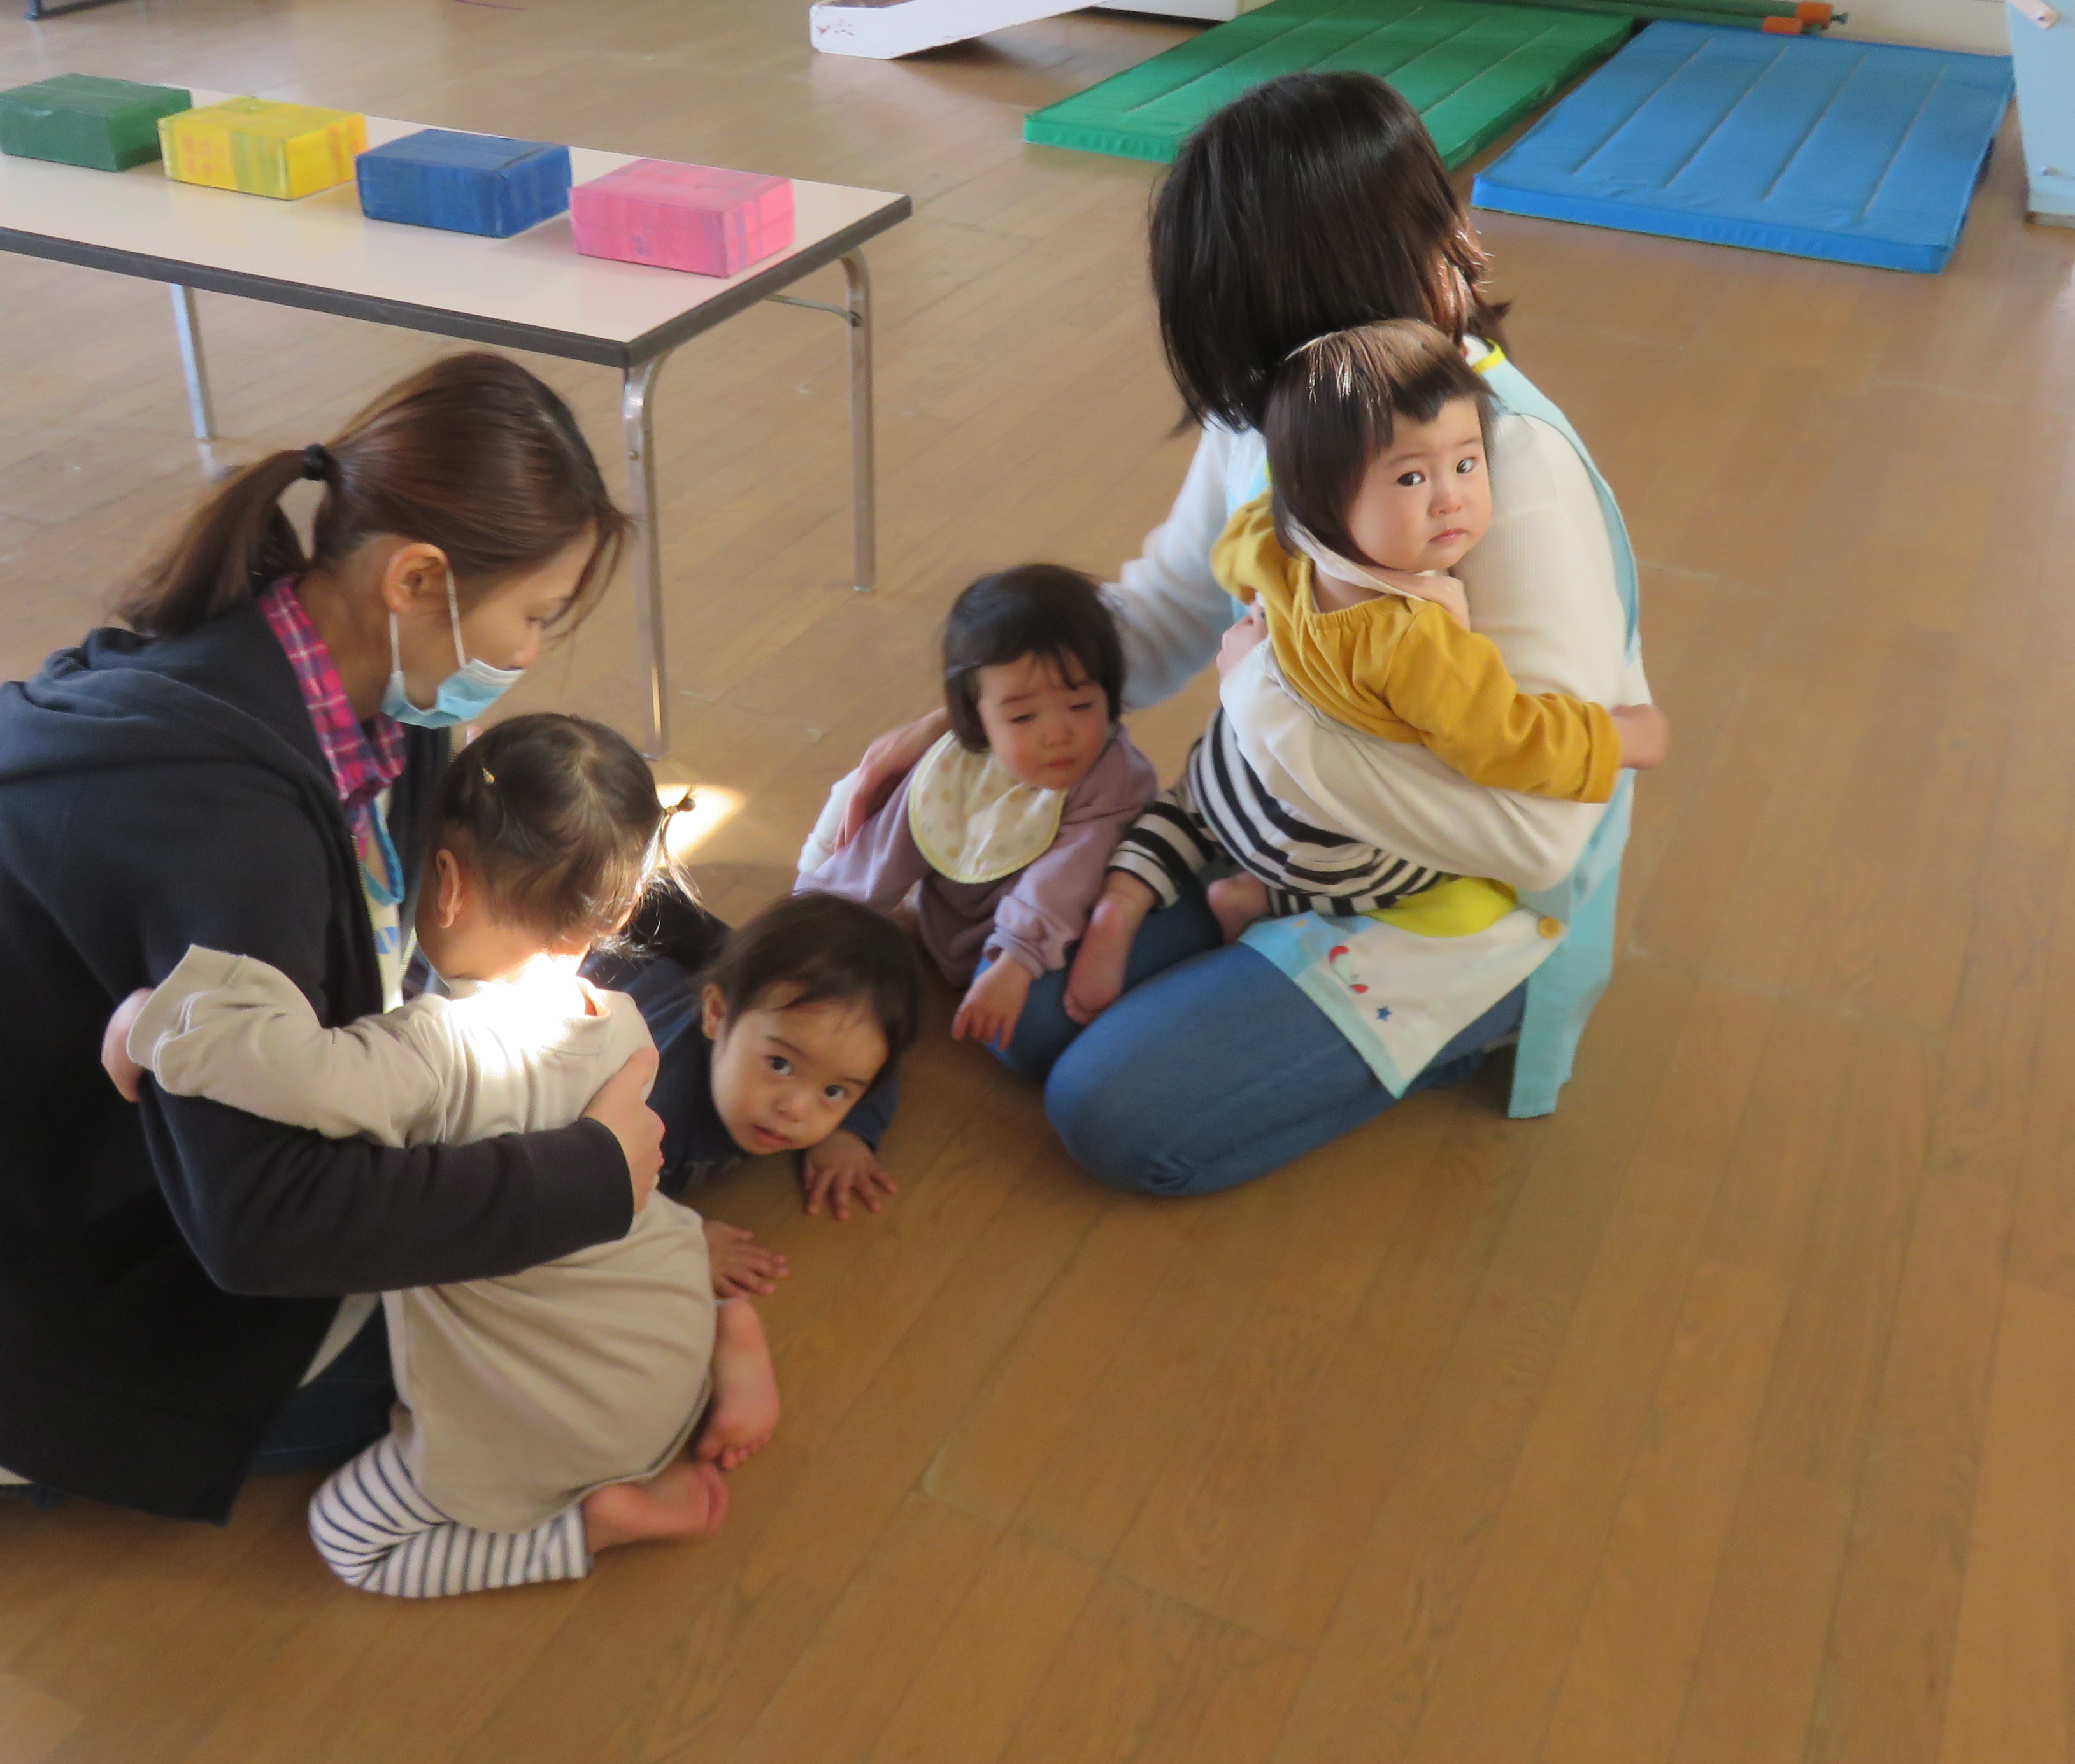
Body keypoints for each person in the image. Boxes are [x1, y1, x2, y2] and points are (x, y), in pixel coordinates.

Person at [0, 352, 667, 1533]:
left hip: (103, 1177)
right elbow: (262, 1223)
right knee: (514, 1350)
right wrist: (590, 1180)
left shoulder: (356, 688)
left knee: (547, 1213)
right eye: (536, 616)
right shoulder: (225, 823)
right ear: (418, 579)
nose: (533, 653)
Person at [833, 72, 1651, 1195]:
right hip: (1281, 826)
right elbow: (1167, 607)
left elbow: (1539, 835)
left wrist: (1266, 710)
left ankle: (1464, 1025)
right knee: (1023, 1012)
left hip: (1457, 898)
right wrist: (971, 716)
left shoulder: (1506, 473)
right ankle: (1242, 946)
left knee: (1108, 1109)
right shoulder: (1290, 400)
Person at [105, 715, 780, 1597]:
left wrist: (157, 1018)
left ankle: (588, 1528)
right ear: (618, 913)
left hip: (567, 1420)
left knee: (351, 1539)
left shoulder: (434, 1051)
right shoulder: (621, 1022)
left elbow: (299, 1070)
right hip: (663, 1331)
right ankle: (730, 1341)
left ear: (447, 882)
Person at [1081, 318, 1664, 987]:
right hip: (1319, 851)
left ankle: (1125, 896)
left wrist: (1262, 607)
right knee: (1419, 866)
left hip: (1225, 780)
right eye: (1412, 478)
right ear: (1327, 498)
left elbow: (1230, 554)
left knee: (1182, 810)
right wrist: (1622, 740)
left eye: (1466, 464)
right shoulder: (1414, 637)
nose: (1450, 499)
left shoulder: (1279, 539)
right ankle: (1257, 898)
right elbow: (1510, 740)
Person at [795, 565, 1155, 1055]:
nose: (1057, 734)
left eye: (1081, 706)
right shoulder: (954, 766)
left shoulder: (1115, 777)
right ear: (975, 716)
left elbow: (1064, 880)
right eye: (1023, 716)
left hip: (1047, 944)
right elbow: (881, 855)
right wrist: (813, 930)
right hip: (947, 939)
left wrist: (1015, 962)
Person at [581, 892, 924, 1298]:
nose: (796, 1109)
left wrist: (851, 1132)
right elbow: (587, 1192)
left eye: (833, 1091)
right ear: (717, 1014)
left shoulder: (827, 1049)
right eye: (779, 1065)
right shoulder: (651, 1102)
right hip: (594, 971)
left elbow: (874, 1066)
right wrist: (681, 1237)